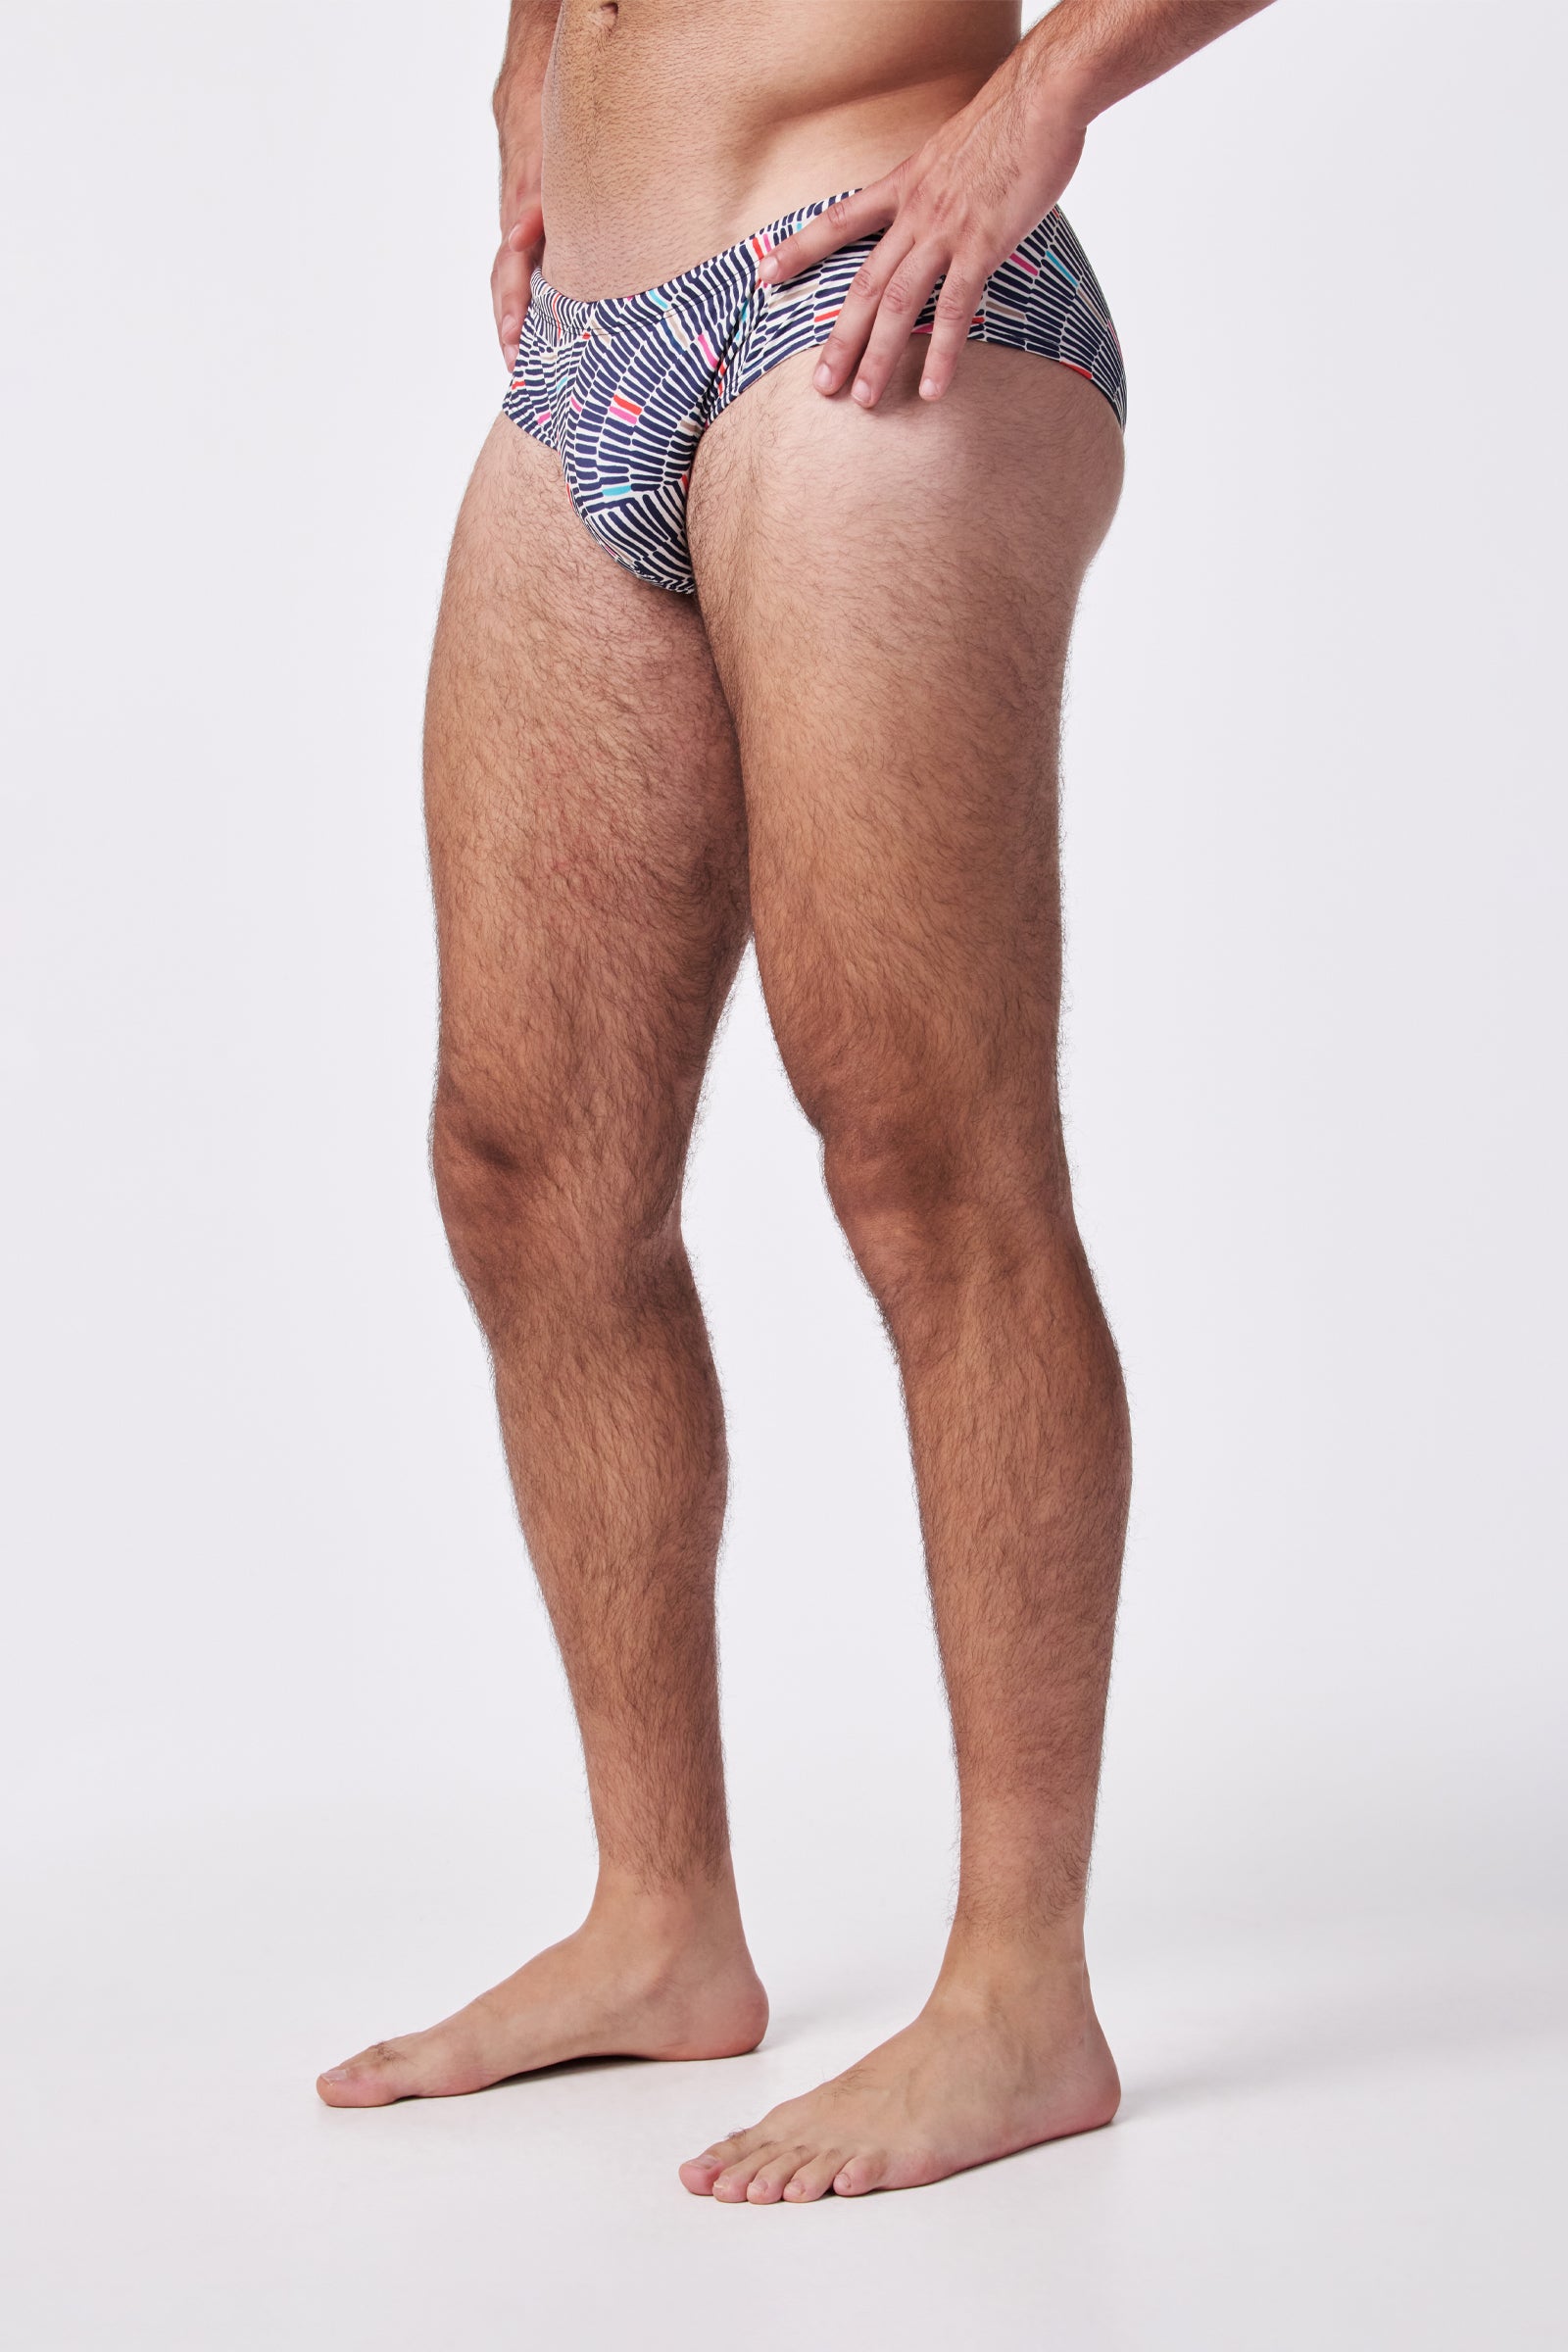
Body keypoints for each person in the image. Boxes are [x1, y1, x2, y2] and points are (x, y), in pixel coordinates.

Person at [318, 0, 1274, 2201]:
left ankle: (1018, 1989)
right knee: (521, 1167)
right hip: (592, 342)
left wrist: (1046, 96)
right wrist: (530, 62)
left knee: (919, 1154)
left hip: (869, 271)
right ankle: (660, 1922)